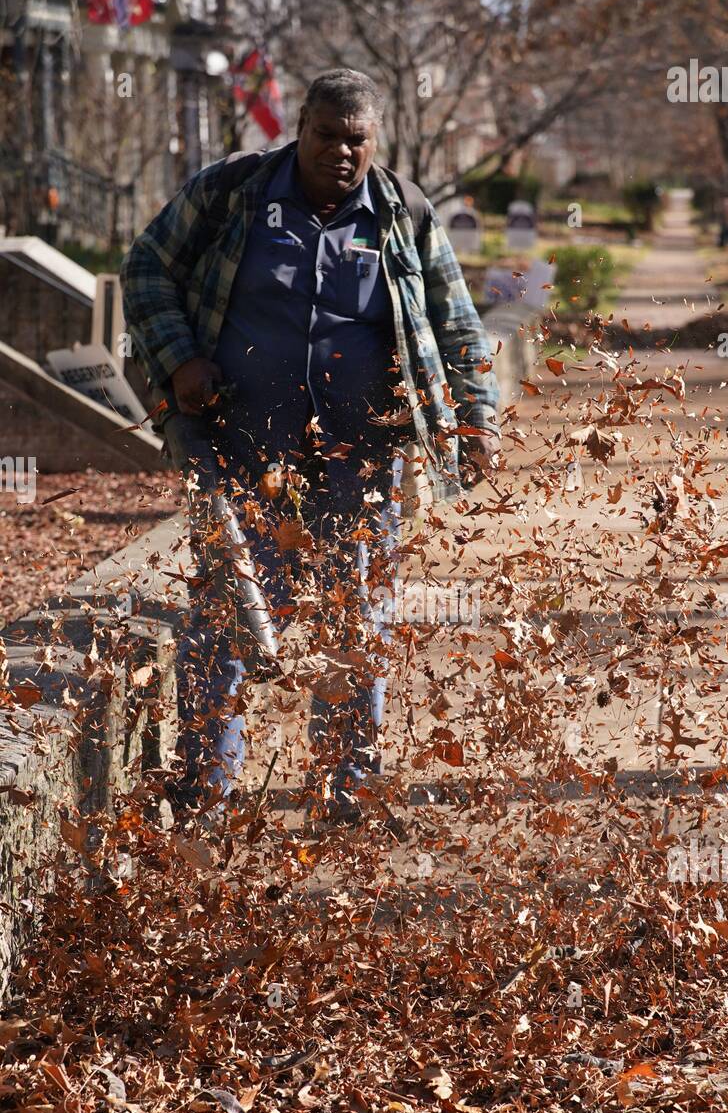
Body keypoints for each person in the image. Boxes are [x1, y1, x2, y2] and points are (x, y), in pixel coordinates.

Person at [120, 68, 500, 832]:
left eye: (355, 140)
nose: (338, 152)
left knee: (353, 623)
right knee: (228, 613)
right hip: (243, 454)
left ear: (374, 140)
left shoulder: (404, 213)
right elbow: (146, 266)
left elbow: (455, 323)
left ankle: (346, 794)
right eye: (325, 135)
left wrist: (476, 418)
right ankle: (205, 793)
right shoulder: (234, 194)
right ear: (301, 127)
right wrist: (180, 358)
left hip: (361, 465)